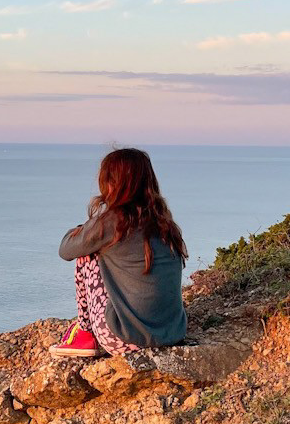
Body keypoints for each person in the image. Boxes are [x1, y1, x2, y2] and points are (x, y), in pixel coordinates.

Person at [50, 148, 188, 357]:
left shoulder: (112, 222)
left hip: (124, 340)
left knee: (87, 255)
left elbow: (66, 249)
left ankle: (85, 335)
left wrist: (83, 229)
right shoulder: (166, 224)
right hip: (172, 334)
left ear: (110, 182)